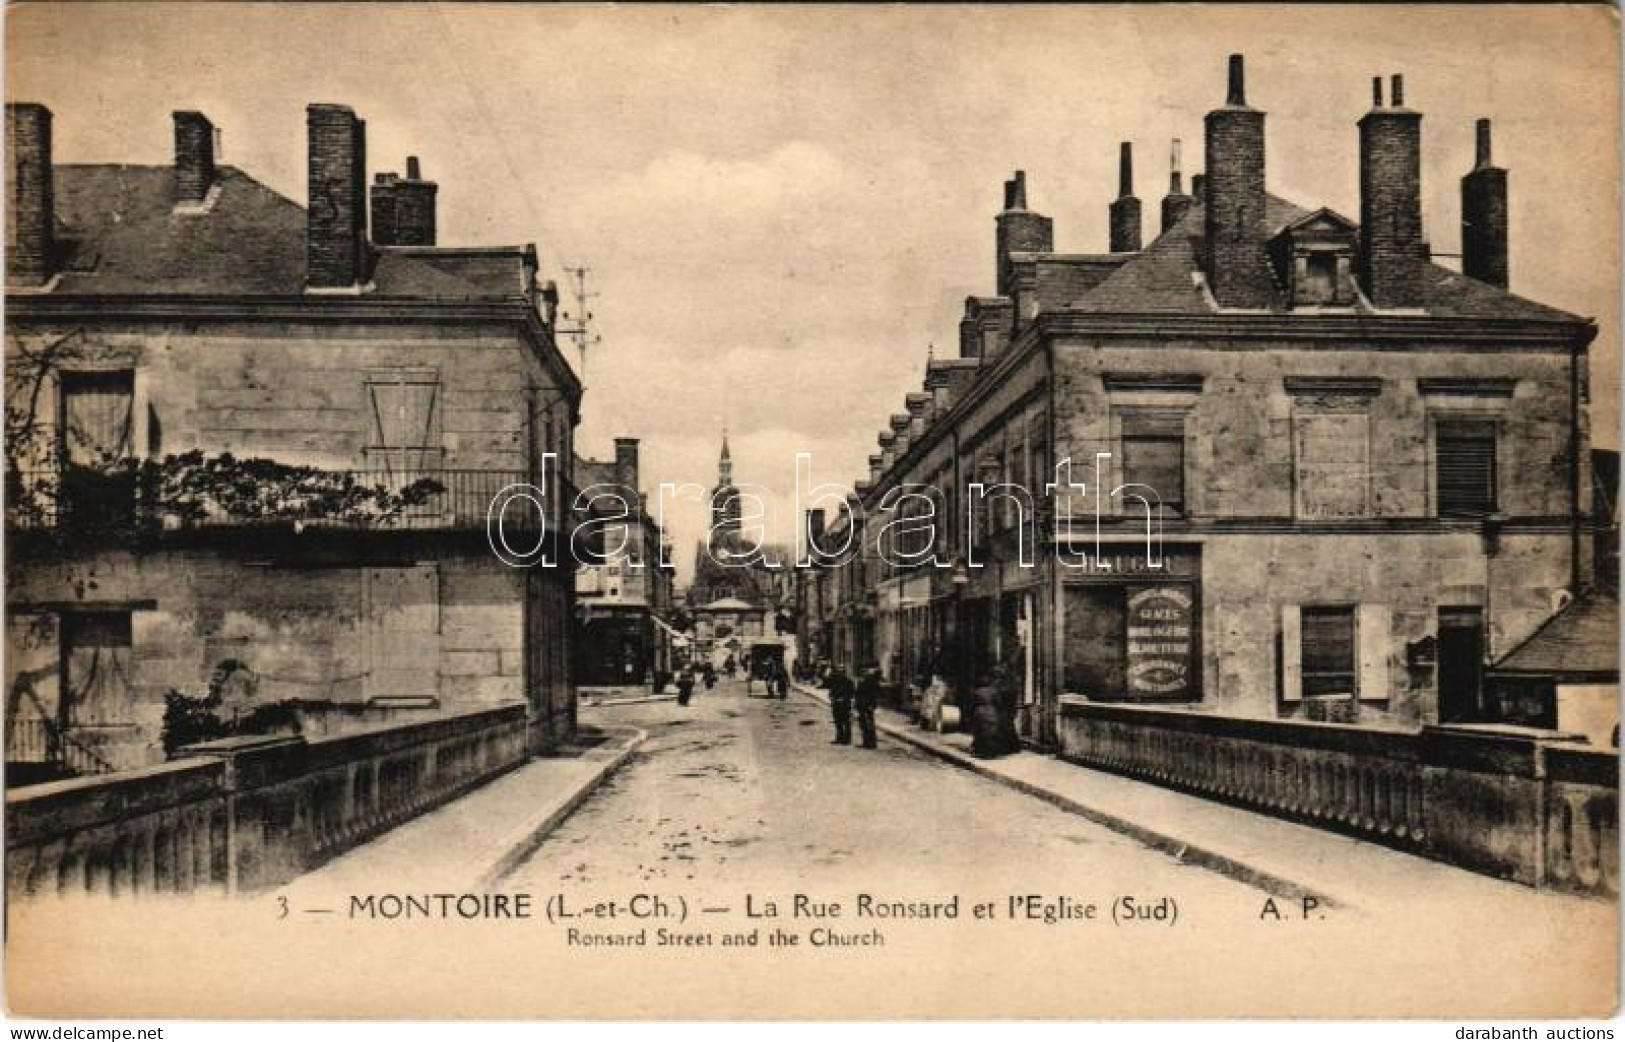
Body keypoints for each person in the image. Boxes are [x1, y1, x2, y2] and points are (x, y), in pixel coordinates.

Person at [823, 663, 854, 745]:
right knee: (838, 722)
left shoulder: (848, 682)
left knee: (846, 722)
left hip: (844, 704)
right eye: (839, 671)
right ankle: (839, 738)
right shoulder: (835, 681)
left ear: (844, 672)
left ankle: (847, 739)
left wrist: (844, 698)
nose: (840, 673)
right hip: (836, 704)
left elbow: (851, 693)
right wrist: (831, 697)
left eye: (842, 671)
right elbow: (830, 689)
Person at [855, 667, 882, 749]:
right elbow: (858, 694)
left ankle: (871, 743)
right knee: (864, 724)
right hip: (862, 705)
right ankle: (866, 742)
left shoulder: (871, 681)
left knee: (868, 725)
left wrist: (872, 705)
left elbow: (875, 694)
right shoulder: (863, 680)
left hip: (867, 705)